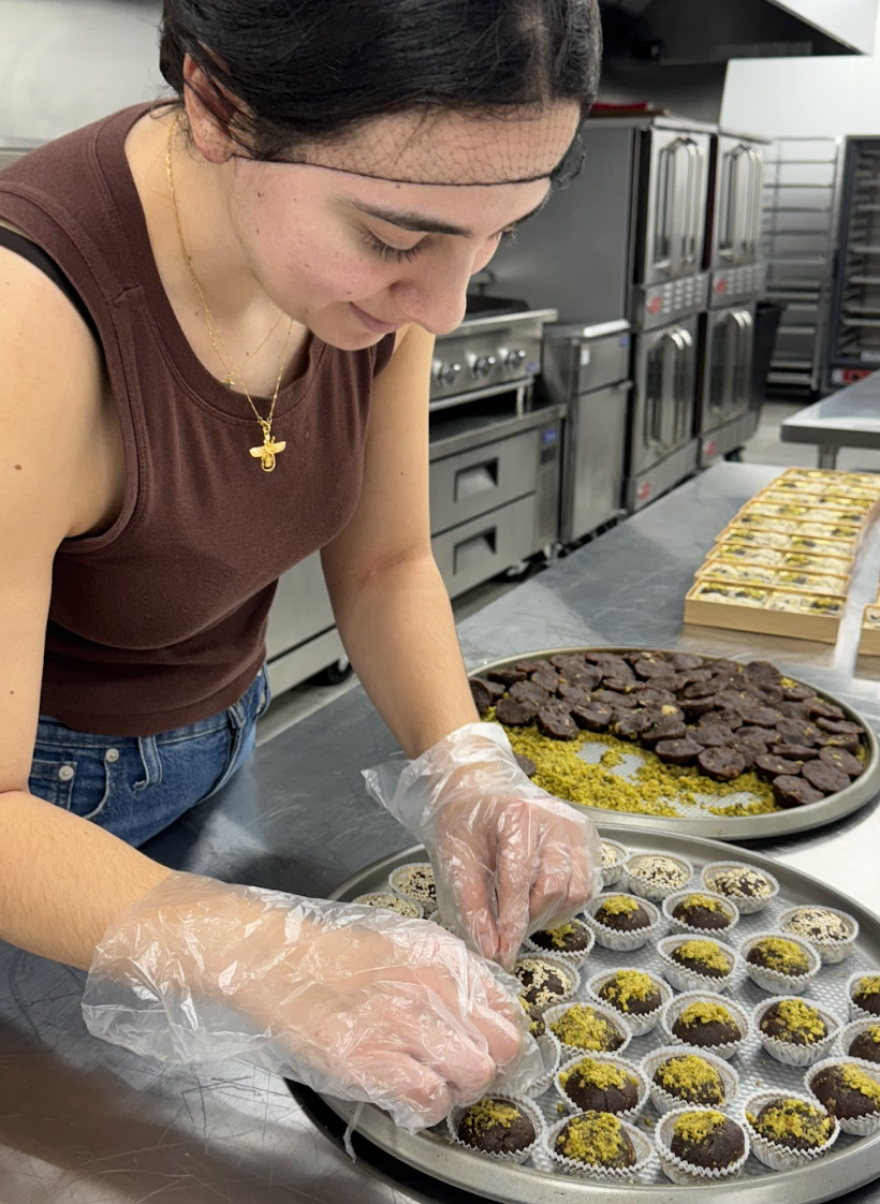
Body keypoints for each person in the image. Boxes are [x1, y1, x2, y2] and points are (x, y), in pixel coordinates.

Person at [0, 0, 603, 1129]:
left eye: (499, 235)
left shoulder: (394, 276)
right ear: (219, 108)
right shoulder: (25, 319)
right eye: (393, 236)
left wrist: (464, 763)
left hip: (216, 750)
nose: (443, 303)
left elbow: (382, 564)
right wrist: (255, 949)